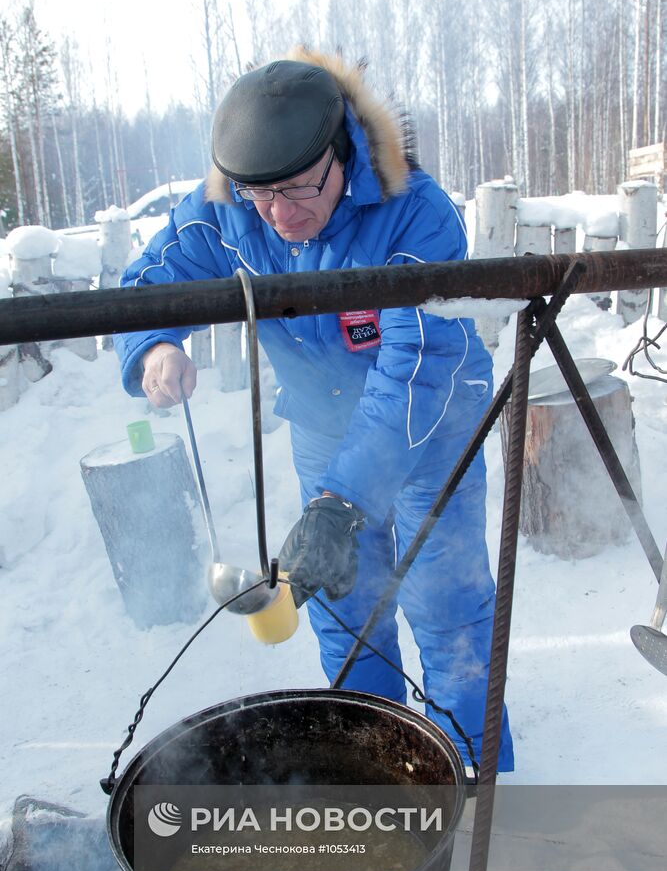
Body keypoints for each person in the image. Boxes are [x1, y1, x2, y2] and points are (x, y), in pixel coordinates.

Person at [114, 48, 514, 772]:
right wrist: (153, 347)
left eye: (297, 191)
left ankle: (472, 776)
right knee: (343, 608)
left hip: (430, 434)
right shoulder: (230, 208)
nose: (276, 213)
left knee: (446, 608)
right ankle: (377, 762)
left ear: (341, 156)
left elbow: (415, 367)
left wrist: (342, 500)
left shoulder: (411, 213)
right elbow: (145, 281)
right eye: (257, 195)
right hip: (323, 434)